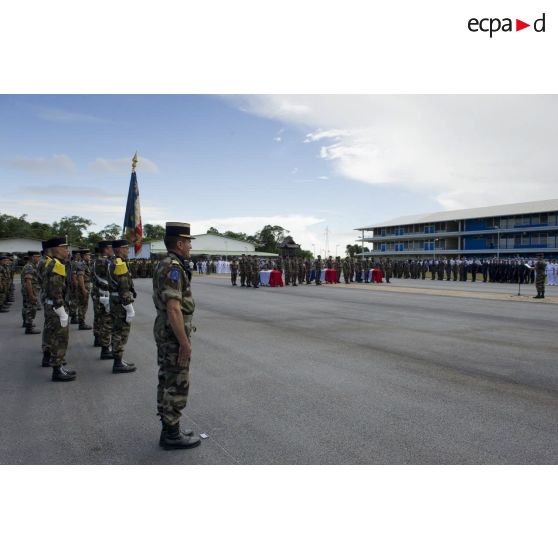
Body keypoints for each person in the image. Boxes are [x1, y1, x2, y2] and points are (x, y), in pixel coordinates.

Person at [152, 222, 201, 450]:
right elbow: (174, 308)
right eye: (188, 242)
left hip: (166, 329)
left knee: (167, 379)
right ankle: (171, 435)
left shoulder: (167, 263)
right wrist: (184, 343)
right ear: (180, 244)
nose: (190, 246)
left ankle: (170, 428)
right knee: (177, 382)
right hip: (173, 333)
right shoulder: (173, 267)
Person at [42, 237, 76, 382]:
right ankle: (57, 370)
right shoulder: (56, 265)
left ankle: (59, 367)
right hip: (57, 307)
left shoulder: (55, 263)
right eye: (64, 247)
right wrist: (61, 310)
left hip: (53, 306)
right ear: (55, 249)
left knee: (56, 337)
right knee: (59, 339)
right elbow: (56, 290)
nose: (66, 250)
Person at [108, 239, 136, 373]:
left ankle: (119, 359)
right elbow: (124, 286)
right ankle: (118, 362)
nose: (128, 250)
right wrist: (128, 306)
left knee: (117, 329)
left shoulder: (114, 261)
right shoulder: (119, 263)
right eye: (125, 248)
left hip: (115, 300)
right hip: (120, 302)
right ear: (118, 249)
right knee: (120, 331)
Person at [93, 240, 115, 360]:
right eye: (111, 248)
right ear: (106, 249)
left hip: (100, 295)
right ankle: (105, 349)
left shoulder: (99, 260)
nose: (113, 250)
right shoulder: (104, 261)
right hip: (104, 295)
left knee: (102, 320)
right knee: (107, 322)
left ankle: (104, 346)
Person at [21, 251, 41, 334]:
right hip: (30, 291)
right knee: (31, 308)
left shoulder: (31, 266)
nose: (38, 259)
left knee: (27, 307)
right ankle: (29, 328)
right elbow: (28, 282)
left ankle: (26, 323)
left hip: (29, 290)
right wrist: (31, 295)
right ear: (32, 257)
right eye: (37, 257)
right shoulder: (29, 267)